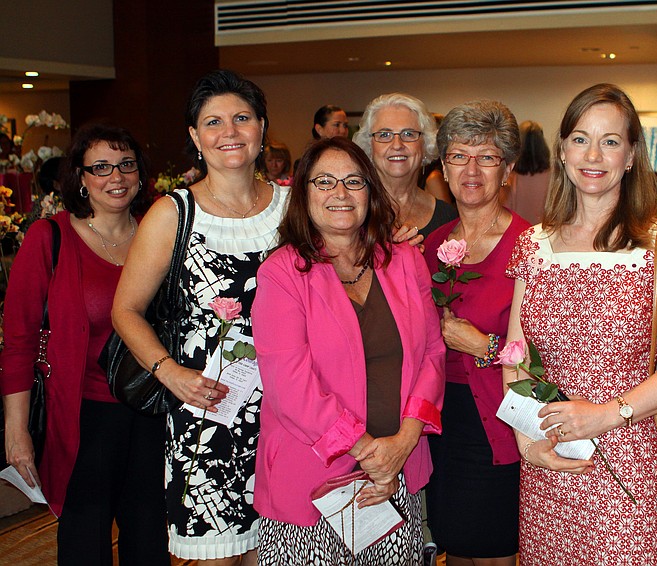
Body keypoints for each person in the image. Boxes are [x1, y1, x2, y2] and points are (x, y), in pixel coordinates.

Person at [503, 83, 657, 565]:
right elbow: (515, 355)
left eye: (610, 141)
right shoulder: (533, 244)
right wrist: (526, 442)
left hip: (629, 464)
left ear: (632, 155)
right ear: (562, 149)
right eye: (580, 138)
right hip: (548, 463)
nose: (593, 154)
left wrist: (607, 413)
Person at [112, 69, 289, 565]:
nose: (228, 132)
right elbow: (125, 310)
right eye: (213, 122)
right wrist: (171, 375)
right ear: (194, 137)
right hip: (208, 414)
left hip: (290, 415)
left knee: (280, 553)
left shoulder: (295, 208)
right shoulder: (173, 213)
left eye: (241, 118)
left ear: (261, 129)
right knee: (217, 557)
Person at [251, 137, 445, 565]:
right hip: (312, 487)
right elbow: (290, 387)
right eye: (324, 181)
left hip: (395, 476)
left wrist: (402, 443)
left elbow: (432, 354)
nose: (340, 193)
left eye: (354, 181)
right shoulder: (282, 273)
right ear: (303, 194)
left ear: (370, 192)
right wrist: (367, 451)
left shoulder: (405, 261)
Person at [1, 124, 168, 565]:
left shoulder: (160, 234)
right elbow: (18, 342)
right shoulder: (49, 238)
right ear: (80, 176)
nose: (116, 177)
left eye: (126, 165)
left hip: (154, 413)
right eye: (101, 167)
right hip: (81, 416)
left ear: (140, 174)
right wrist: (16, 432)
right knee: (85, 542)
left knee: (150, 539)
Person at [423, 100, 529, 565]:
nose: (471, 169)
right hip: (437, 425)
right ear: (443, 167)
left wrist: (483, 346)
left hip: (496, 427)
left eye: (486, 157)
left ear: (506, 170)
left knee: (490, 550)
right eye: (458, 156)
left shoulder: (532, 245)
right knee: (452, 546)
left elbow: (555, 359)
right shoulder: (432, 244)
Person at [353, 92, 457, 242]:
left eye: (408, 134)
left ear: (425, 144)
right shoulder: (352, 209)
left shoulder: (447, 217)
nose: (397, 145)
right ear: (370, 146)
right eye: (384, 135)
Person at [503, 120, 551, 224]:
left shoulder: (509, 177)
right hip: (545, 234)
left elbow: (504, 210)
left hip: (517, 233)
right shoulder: (554, 177)